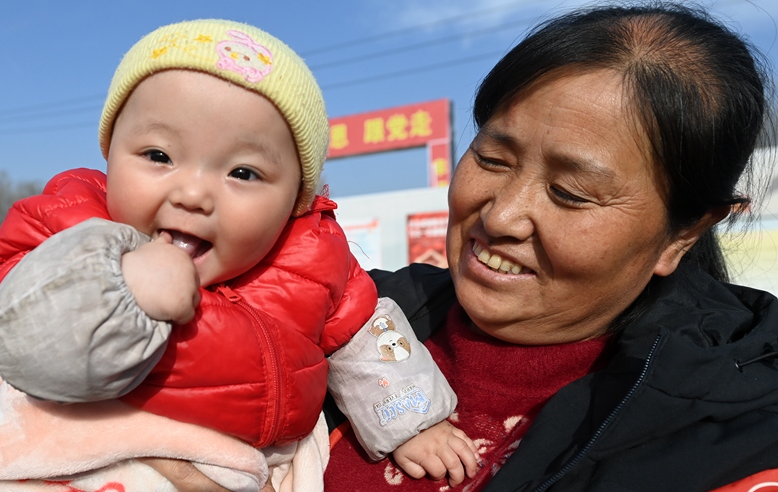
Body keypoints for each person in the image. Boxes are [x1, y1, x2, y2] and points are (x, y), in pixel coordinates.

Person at [129, 2, 778, 490]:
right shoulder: (346, 311)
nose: (501, 215)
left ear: (684, 232)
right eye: (492, 158)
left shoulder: (738, 437)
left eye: (571, 193)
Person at [0, 18, 461, 492]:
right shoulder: (70, 224)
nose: (192, 193)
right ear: (109, 155)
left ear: (297, 199)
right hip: (61, 450)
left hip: (232, 463)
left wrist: (413, 421)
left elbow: (368, 339)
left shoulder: (315, 258)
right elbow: (21, 334)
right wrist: (120, 288)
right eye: (158, 155)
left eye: (243, 172)